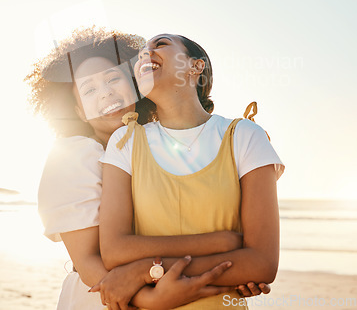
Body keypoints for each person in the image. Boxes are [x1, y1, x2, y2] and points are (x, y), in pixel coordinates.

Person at [26, 27, 270, 310]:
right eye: (89, 89)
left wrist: (235, 271)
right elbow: (90, 260)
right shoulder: (73, 156)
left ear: (133, 86)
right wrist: (153, 297)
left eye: (113, 79)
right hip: (104, 296)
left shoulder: (146, 141)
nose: (105, 93)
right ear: (78, 111)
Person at [99, 33, 285, 309]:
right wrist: (222, 244)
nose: (145, 55)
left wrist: (145, 271)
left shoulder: (244, 136)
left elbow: (261, 264)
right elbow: (114, 251)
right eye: (140, 53)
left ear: (196, 66)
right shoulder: (125, 141)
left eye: (160, 44)